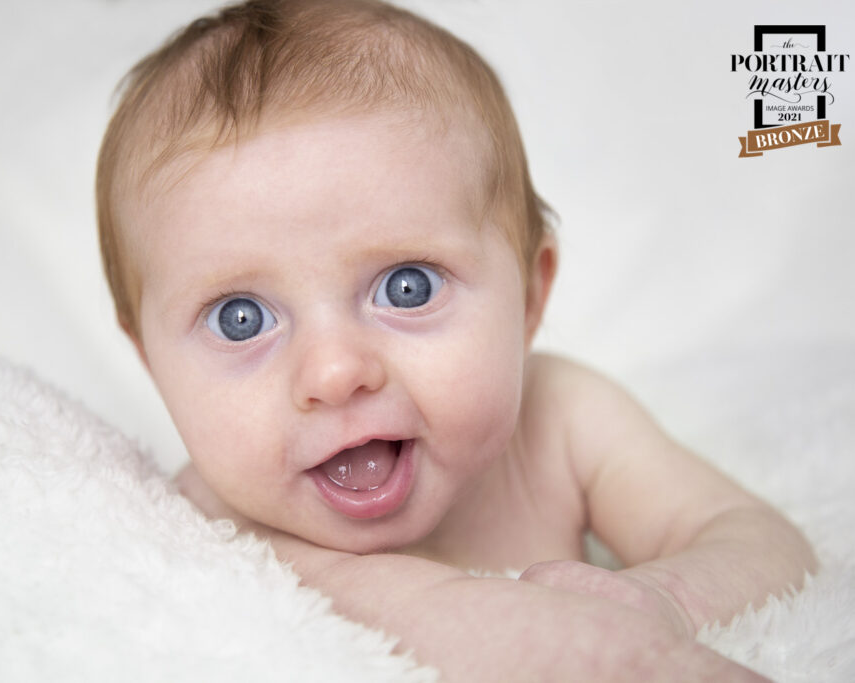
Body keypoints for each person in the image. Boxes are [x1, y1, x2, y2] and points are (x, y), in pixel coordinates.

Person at [95, 1, 815, 679]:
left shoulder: (561, 419)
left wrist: (669, 599)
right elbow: (423, 617)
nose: (338, 370)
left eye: (407, 286)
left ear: (530, 296)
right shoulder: (208, 522)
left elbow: (755, 538)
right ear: (150, 360)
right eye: (240, 318)